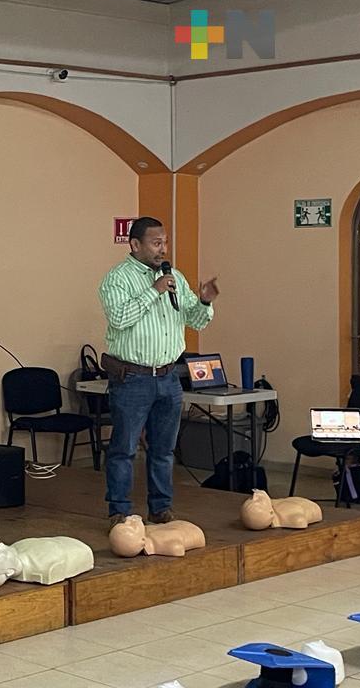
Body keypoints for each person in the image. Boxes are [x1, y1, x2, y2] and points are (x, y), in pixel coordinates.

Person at [99, 216, 219, 528]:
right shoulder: (117, 279)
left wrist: (204, 301)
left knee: (164, 451)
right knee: (124, 449)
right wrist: (154, 290)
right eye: (155, 243)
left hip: (168, 377)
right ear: (135, 244)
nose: (162, 249)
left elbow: (195, 320)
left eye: (164, 242)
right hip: (133, 379)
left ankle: (160, 509)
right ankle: (120, 513)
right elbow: (120, 318)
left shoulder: (173, 275)